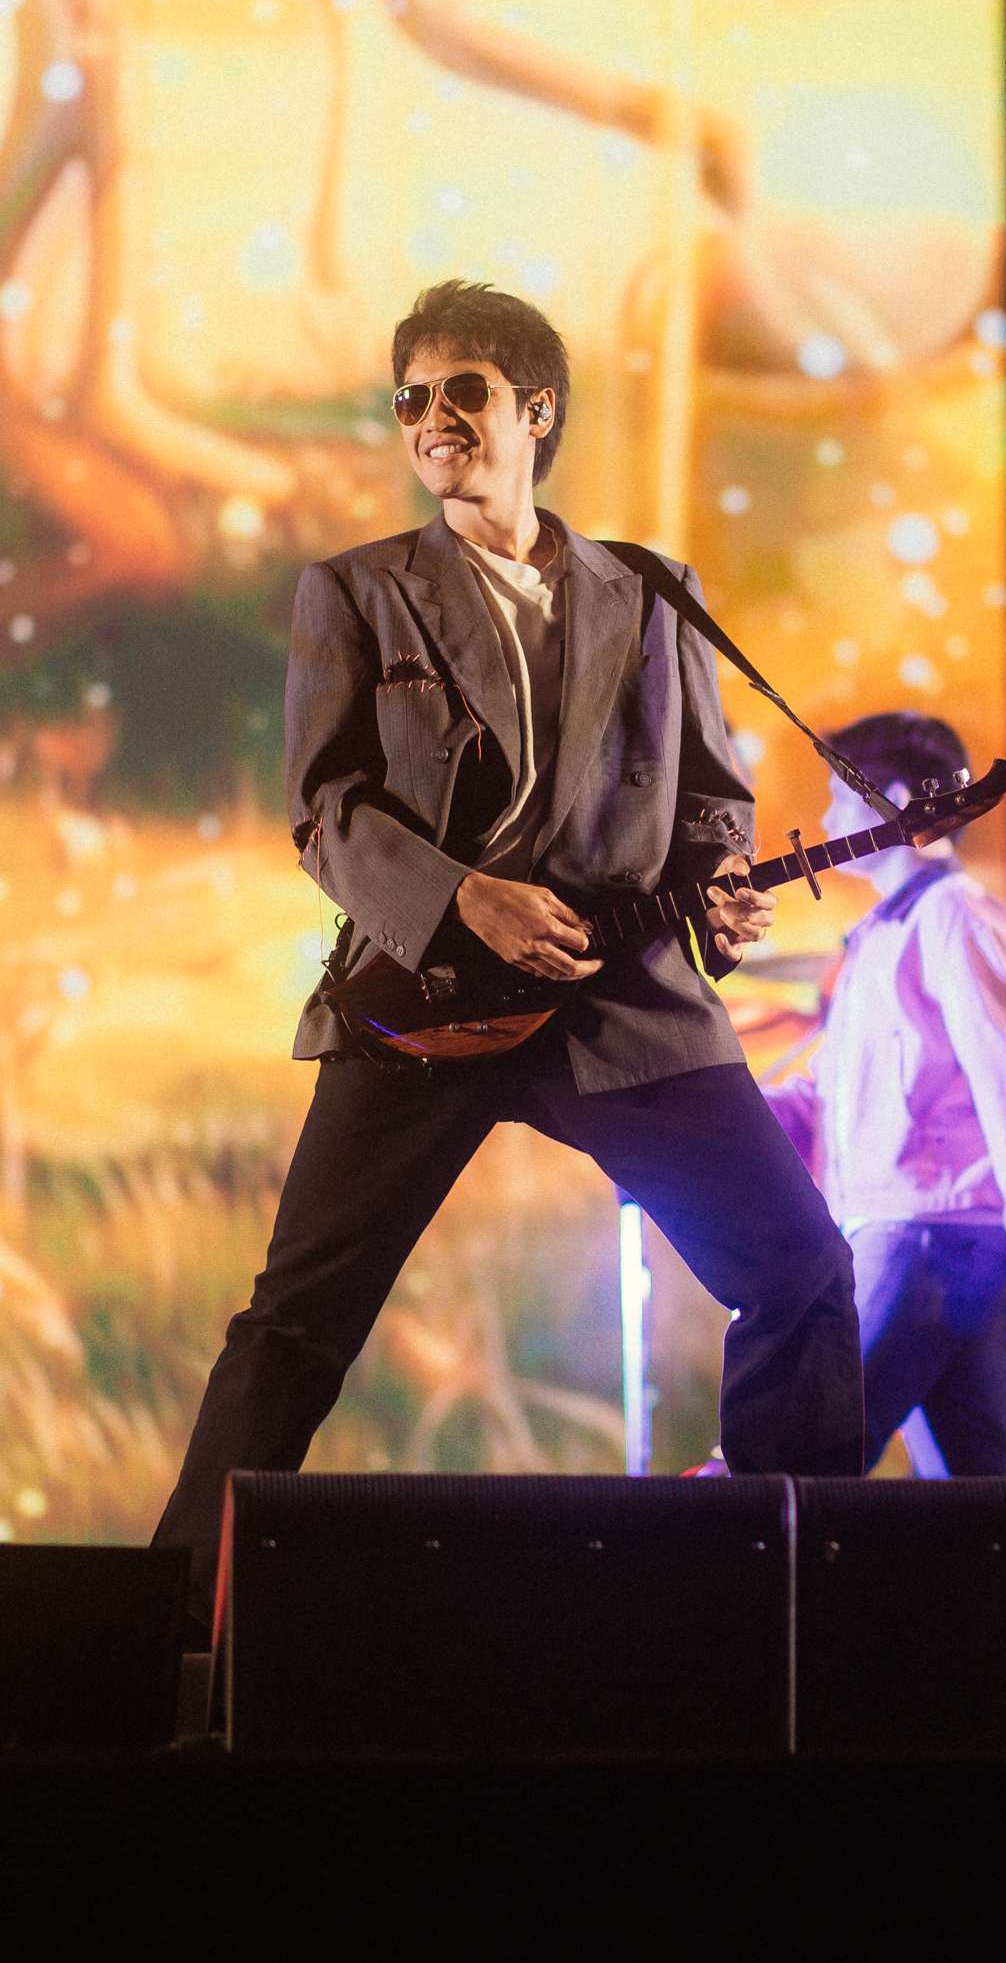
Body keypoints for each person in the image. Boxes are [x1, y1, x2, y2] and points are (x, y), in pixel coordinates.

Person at [153, 280, 863, 1630]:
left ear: (536, 410)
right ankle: (171, 1627)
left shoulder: (650, 590)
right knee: (295, 1323)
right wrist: (460, 898)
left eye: (462, 391)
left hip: (622, 996)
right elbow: (324, 808)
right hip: (420, 1001)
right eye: (410, 398)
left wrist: (718, 891)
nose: (431, 419)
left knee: (801, 1272)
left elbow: (712, 798)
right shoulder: (356, 591)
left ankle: (799, 1606)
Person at [766, 712, 1006, 1477]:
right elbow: (827, 1093)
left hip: (927, 1239)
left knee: (805, 1457)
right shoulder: (884, 934)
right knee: (975, 1495)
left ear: (898, 799)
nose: (825, 821)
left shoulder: (954, 916)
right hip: (927, 1240)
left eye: (838, 798)